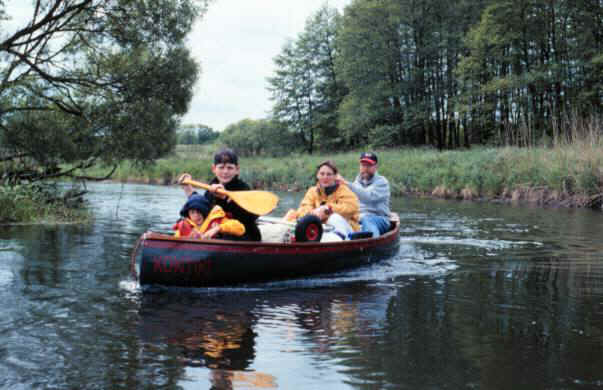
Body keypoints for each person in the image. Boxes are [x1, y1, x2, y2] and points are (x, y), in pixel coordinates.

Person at [179, 148, 262, 241]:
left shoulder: (243, 188)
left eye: (230, 168)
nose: (225, 172)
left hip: (244, 235)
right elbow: (202, 207)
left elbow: (252, 217)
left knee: (227, 235)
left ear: (237, 170)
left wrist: (225, 198)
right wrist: (188, 188)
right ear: (214, 169)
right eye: (221, 167)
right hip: (216, 233)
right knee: (182, 223)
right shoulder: (211, 186)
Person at [285, 160, 360, 240]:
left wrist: (327, 209)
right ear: (317, 175)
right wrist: (314, 213)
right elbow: (303, 208)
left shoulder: (345, 190)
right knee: (292, 214)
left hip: (347, 230)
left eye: (329, 174)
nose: (325, 177)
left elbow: (351, 208)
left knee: (334, 218)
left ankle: (335, 241)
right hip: (322, 228)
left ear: (335, 176)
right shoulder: (312, 191)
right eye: (322, 174)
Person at [337, 152, 391, 237]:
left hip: (379, 218)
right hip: (358, 218)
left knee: (367, 220)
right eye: (363, 165)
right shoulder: (356, 182)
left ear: (375, 167)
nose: (365, 168)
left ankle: (371, 243)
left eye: (369, 166)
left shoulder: (382, 182)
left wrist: (346, 184)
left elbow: (367, 196)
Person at [173, 194, 245, 239]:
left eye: (199, 212)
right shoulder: (183, 226)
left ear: (204, 212)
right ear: (188, 213)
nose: (195, 216)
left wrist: (218, 228)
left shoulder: (218, 220)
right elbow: (175, 244)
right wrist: (188, 239)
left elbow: (241, 229)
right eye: (192, 212)